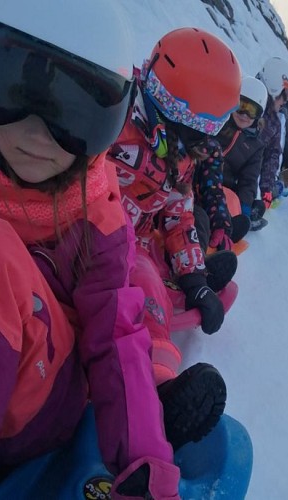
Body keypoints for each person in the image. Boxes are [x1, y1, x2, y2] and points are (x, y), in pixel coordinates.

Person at [0, 3, 226, 499]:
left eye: (75, 116)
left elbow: (116, 337)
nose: (36, 134)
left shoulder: (100, 219)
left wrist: (194, 273)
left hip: (44, 380)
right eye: (13, 94)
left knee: (137, 284)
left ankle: (158, 386)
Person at [105, 28, 241, 377]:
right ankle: (157, 377)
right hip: (97, 241)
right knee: (143, 278)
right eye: (195, 128)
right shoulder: (113, 126)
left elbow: (179, 217)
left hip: (140, 237)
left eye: (209, 129)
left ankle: (188, 276)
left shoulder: (180, 153)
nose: (199, 141)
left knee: (158, 260)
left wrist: (193, 279)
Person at [193, 75, 268, 245]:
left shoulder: (256, 146)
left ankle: (229, 229)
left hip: (223, 189)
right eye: (241, 106)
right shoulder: (218, 122)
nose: (244, 115)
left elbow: (248, 180)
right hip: (198, 176)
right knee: (201, 207)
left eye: (252, 111)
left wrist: (245, 207)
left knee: (231, 201)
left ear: (258, 116)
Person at [250, 57, 288, 230]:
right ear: (274, 86)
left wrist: (266, 190)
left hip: (249, 177)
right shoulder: (247, 100)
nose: (286, 101)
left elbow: (272, 156)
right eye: (286, 95)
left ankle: (274, 188)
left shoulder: (275, 122)